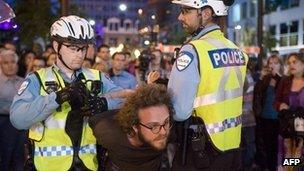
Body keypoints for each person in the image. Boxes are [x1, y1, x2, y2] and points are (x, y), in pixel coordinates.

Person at [10, 15, 126, 171]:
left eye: (83, 48)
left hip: (89, 164)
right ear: (56, 46)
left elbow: (126, 100)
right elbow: (17, 119)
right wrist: (57, 98)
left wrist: (104, 103)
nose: (79, 54)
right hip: (48, 166)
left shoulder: (97, 77)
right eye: (72, 48)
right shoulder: (37, 78)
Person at [168, 0, 247, 170]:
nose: (180, 16)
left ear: (206, 14)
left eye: (186, 11)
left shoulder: (193, 50)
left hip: (199, 152)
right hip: (232, 147)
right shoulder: (238, 51)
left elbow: (179, 111)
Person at [89, 84, 174, 170]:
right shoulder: (109, 132)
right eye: (153, 126)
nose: (163, 132)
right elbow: (91, 109)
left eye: (166, 122)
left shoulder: (170, 130)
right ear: (135, 126)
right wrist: (122, 94)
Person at [274, 53, 304, 171]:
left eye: (294, 62)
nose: (291, 65)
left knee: (300, 157)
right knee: (287, 160)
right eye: (289, 63)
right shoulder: (285, 81)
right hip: (287, 127)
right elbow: (276, 101)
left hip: (302, 130)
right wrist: (280, 105)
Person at [253, 55, 283, 171]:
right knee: (266, 147)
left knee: (277, 148)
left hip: (278, 119)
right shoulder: (265, 79)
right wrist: (261, 78)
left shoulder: (283, 79)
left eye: (275, 63)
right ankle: (268, 167)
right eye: (270, 63)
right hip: (264, 118)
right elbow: (257, 95)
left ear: (280, 65)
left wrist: (277, 78)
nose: (272, 66)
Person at [0, 49, 26, 171]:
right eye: (6, 63)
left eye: (12, 62)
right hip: (3, 124)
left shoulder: (24, 82)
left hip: (21, 127)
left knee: (19, 160)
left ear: (17, 64)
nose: (10, 65)